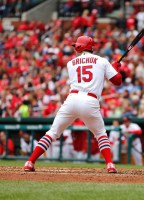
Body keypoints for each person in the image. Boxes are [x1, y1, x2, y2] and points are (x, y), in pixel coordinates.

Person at [23, 35, 122, 173]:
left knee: (52, 132)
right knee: (101, 134)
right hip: (90, 101)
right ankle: (110, 164)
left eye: (77, 46)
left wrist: (111, 68)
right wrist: (115, 69)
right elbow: (117, 81)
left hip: (72, 99)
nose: (75, 48)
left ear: (80, 47)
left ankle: (30, 162)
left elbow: (90, 71)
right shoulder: (102, 61)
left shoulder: (71, 63)